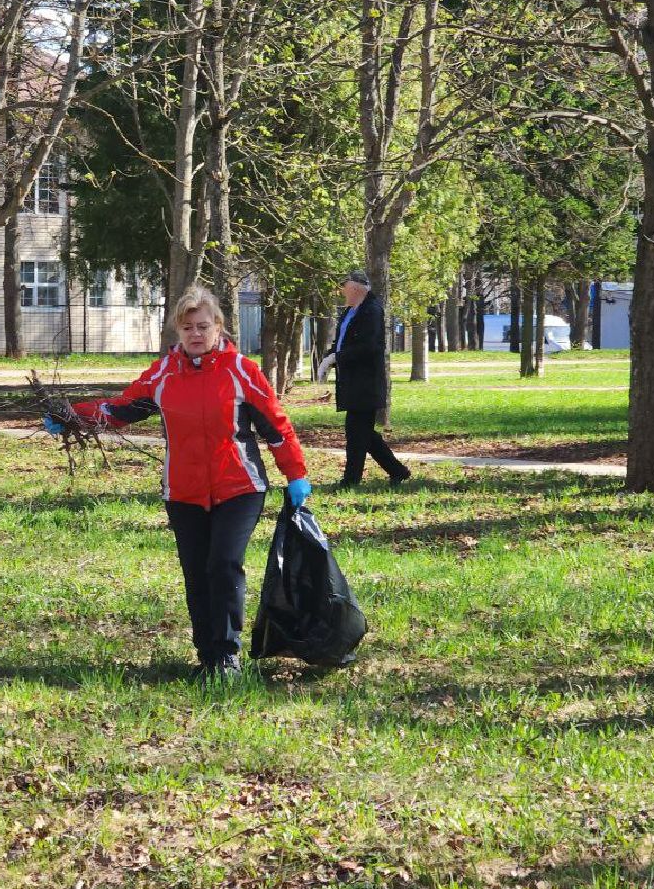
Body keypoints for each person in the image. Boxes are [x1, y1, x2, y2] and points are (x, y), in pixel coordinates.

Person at [43, 286, 311, 680]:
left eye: (203, 326)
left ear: (218, 326)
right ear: (178, 332)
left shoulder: (241, 371)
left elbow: (276, 426)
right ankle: (207, 654)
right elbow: (120, 409)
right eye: (187, 328)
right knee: (196, 571)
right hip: (183, 491)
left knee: (223, 565)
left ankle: (226, 655)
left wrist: (296, 475)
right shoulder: (164, 373)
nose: (196, 334)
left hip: (240, 487)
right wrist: (73, 416)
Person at [315, 270, 410, 488]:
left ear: (356, 288)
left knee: (357, 433)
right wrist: (330, 358)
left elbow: (369, 347)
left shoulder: (372, 311)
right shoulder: (349, 311)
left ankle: (351, 481)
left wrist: (336, 358)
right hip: (351, 382)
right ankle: (398, 471)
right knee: (363, 433)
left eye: (344, 286)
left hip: (366, 383)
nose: (342, 291)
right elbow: (341, 343)